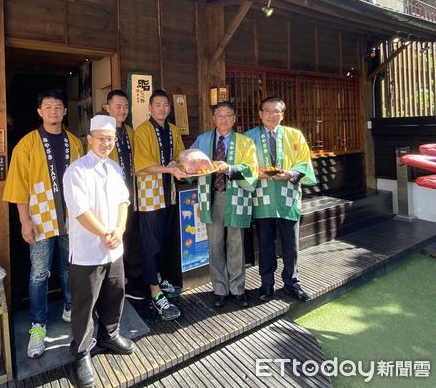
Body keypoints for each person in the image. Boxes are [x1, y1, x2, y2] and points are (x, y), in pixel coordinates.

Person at [2, 90, 83, 358]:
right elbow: (18, 187)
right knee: (39, 274)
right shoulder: (26, 144)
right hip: (40, 218)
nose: (53, 111)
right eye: (47, 107)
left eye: (58, 107)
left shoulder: (75, 142)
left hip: (71, 217)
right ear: (39, 112)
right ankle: (38, 326)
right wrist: (24, 221)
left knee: (70, 267)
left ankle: (70, 306)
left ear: (64, 111)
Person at [63, 115, 136, 388]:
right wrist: (105, 233)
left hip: (114, 248)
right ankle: (81, 354)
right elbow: (80, 211)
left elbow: (123, 202)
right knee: (84, 305)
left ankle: (109, 335)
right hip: (87, 252)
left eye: (110, 139)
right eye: (101, 138)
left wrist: (119, 229)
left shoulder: (116, 168)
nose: (106, 143)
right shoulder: (76, 171)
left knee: (115, 294)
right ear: (90, 139)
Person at [245, 97, 316, 303]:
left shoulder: (295, 136)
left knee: (290, 243)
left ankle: (292, 282)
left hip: (288, 195)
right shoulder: (249, 137)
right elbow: (243, 164)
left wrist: (291, 174)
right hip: (262, 196)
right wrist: (255, 172)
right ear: (260, 114)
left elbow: (304, 163)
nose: (271, 115)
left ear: (282, 114)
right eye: (266, 111)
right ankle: (267, 284)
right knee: (265, 243)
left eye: (276, 111)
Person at [190, 102, 258, 308]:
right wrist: (183, 163)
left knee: (236, 244)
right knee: (215, 244)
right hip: (212, 197)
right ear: (214, 118)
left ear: (235, 118)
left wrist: (229, 168)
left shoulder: (245, 143)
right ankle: (219, 288)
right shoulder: (203, 140)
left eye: (228, 115)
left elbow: (252, 169)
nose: (223, 119)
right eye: (219, 115)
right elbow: (190, 160)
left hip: (236, 195)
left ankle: (238, 288)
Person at [134, 89, 187, 320]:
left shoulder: (173, 130)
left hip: (169, 193)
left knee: (163, 241)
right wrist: (170, 168)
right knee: (150, 244)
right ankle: (155, 292)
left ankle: (159, 279)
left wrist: (178, 162)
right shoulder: (142, 131)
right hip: (149, 196)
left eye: (166, 105)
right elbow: (142, 165)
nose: (162, 109)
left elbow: (181, 154)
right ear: (149, 108)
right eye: (158, 105)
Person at [104, 90, 143, 297]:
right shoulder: (102, 132)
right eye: (118, 106)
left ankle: (125, 279)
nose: (122, 110)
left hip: (130, 193)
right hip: (110, 198)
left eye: (125, 107)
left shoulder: (130, 131)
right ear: (107, 107)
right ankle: (114, 284)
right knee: (113, 238)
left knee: (128, 236)